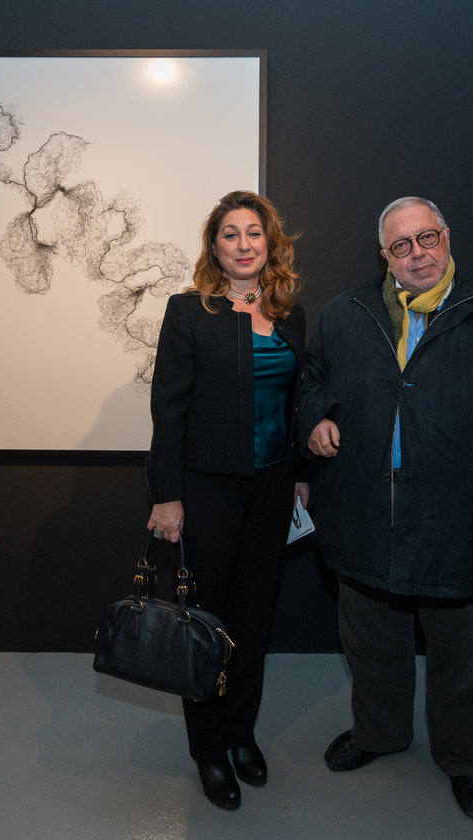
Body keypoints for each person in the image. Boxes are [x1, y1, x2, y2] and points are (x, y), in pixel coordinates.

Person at [299, 196, 473, 820]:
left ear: (447, 236)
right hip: (363, 511)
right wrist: (315, 418)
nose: (417, 254)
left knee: (460, 658)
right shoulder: (345, 314)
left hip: (459, 521)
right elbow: (310, 379)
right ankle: (379, 733)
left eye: (427, 238)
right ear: (384, 257)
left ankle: (466, 761)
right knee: (370, 643)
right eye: (401, 245)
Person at [145, 190, 308, 811]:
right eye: (230, 234)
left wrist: (299, 474)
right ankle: (208, 748)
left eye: (254, 233)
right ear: (214, 248)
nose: (244, 244)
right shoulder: (190, 312)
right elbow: (168, 410)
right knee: (205, 625)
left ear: (270, 244)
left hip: (272, 491)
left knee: (253, 620)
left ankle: (241, 734)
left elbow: (296, 402)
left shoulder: (290, 314)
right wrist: (167, 496)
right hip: (207, 491)